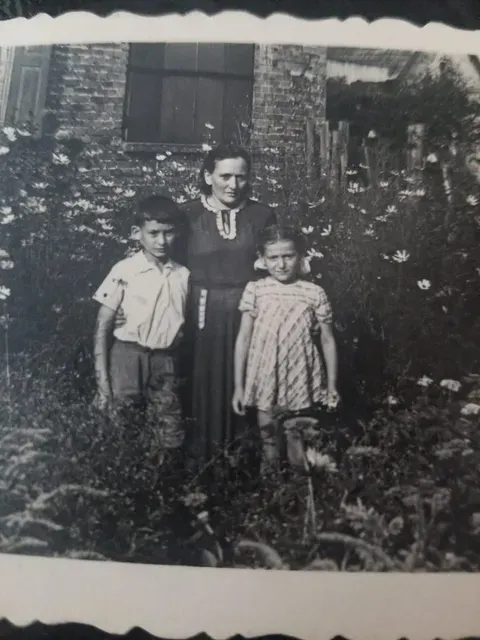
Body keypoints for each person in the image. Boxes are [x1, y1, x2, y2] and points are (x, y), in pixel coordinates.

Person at [179, 144, 276, 471]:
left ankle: (244, 463)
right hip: (200, 313)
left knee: (247, 376)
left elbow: (274, 264)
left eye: (241, 177)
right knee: (201, 380)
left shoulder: (261, 215)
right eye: (225, 176)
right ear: (208, 176)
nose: (233, 185)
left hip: (249, 312)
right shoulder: (188, 214)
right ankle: (202, 462)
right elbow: (169, 265)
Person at [92, 195, 190, 473]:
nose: (162, 241)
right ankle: (121, 480)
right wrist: (103, 384)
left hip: (164, 360)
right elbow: (102, 327)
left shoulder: (183, 275)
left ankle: (161, 482)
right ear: (137, 233)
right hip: (127, 355)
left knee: (168, 427)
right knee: (121, 420)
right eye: (154, 233)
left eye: (168, 233)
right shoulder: (125, 270)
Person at [232, 223, 339, 472]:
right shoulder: (256, 290)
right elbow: (243, 338)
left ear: (300, 256)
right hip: (265, 375)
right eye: (273, 258)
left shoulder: (314, 292)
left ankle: (301, 491)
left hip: (300, 374)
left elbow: (327, 340)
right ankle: (271, 490)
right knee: (269, 441)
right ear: (262, 259)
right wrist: (239, 387)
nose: (281, 265)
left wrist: (332, 386)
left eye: (288, 256)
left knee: (298, 444)